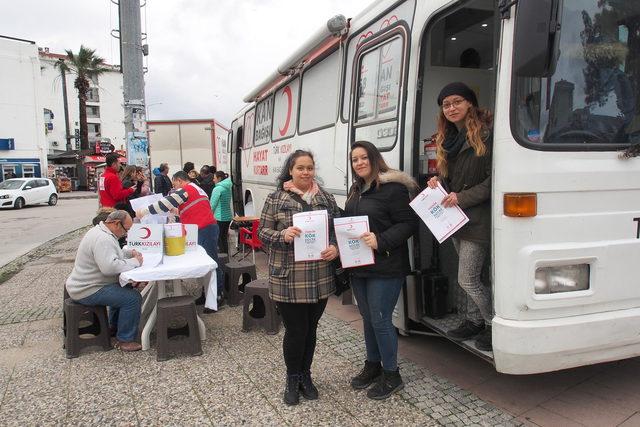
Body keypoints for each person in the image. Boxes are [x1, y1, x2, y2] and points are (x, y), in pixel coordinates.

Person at [258, 150, 340, 406]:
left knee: (311, 329)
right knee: (296, 331)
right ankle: (292, 377)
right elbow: (262, 232)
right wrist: (282, 236)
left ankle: (306, 375)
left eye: (310, 168)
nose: (306, 172)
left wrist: (335, 247)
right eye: (300, 168)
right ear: (290, 170)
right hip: (289, 277)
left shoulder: (326, 198)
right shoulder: (275, 198)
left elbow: (337, 229)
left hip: (319, 276)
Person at [345, 140, 419, 400]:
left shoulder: (393, 188)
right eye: (355, 159)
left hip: (386, 265)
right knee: (368, 319)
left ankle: (392, 374)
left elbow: (409, 223)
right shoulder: (356, 190)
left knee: (380, 319)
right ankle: (373, 365)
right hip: (360, 266)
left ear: (375, 159)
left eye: (364, 157)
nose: (360, 163)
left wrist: (381, 241)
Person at [427, 82, 493, 351]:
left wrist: (461, 197)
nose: (451, 108)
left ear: (470, 104)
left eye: (457, 102)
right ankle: (473, 320)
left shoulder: (486, 135)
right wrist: (437, 182)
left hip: (477, 218)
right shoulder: (449, 138)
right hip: (456, 219)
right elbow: (451, 178)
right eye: (446, 104)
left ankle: (491, 324)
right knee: (466, 276)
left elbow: (493, 180)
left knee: (468, 278)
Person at [137, 170, 223, 312]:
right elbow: (192, 208)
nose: (174, 188)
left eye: (174, 184)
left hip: (204, 228)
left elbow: (165, 203)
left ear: (179, 181)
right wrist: (175, 212)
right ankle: (207, 293)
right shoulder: (196, 188)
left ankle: (217, 296)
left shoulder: (186, 189)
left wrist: (144, 211)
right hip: (205, 227)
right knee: (205, 262)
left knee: (211, 264)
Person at [65, 210, 144, 352]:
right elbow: (109, 267)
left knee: (124, 289)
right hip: (88, 289)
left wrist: (128, 253)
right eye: (126, 229)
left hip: (84, 285)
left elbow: (111, 253)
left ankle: (115, 327)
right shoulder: (103, 239)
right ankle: (125, 340)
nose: (126, 233)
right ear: (116, 224)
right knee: (133, 298)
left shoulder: (100, 232)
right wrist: (135, 262)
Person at [209, 171, 232, 254]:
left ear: (219, 178)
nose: (213, 180)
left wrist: (209, 216)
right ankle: (226, 256)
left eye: (214, 178)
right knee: (224, 238)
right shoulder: (227, 187)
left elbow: (212, 205)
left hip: (219, 217)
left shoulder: (217, 189)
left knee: (219, 239)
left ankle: (222, 258)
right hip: (228, 216)